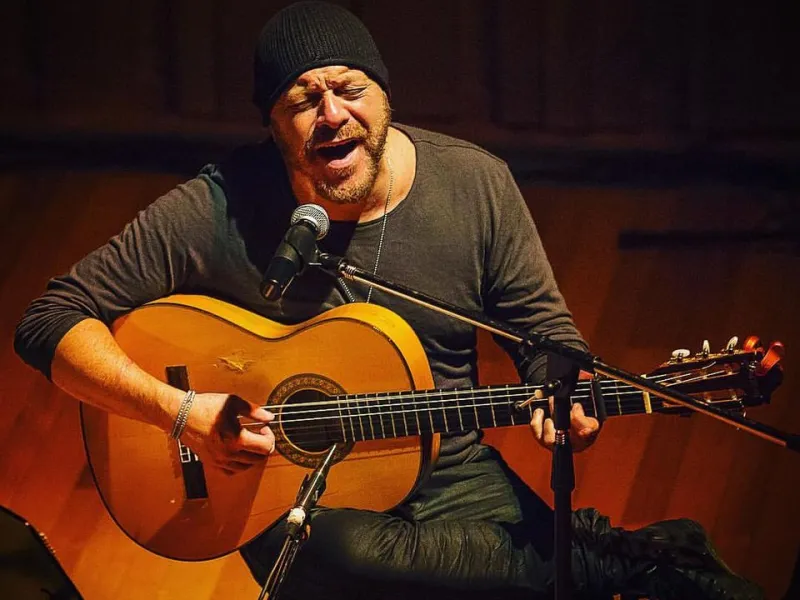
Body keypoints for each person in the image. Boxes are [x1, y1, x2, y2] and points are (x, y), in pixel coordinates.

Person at [14, 3, 764, 599]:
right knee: (332, 545)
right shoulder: (219, 209)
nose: (331, 114)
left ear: (385, 96)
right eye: (303, 101)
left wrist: (558, 388)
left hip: (448, 467)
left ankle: (603, 557)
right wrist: (177, 413)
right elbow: (48, 323)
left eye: (349, 89)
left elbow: (542, 335)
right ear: (274, 127)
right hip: (282, 488)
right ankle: (625, 560)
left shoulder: (472, 184)